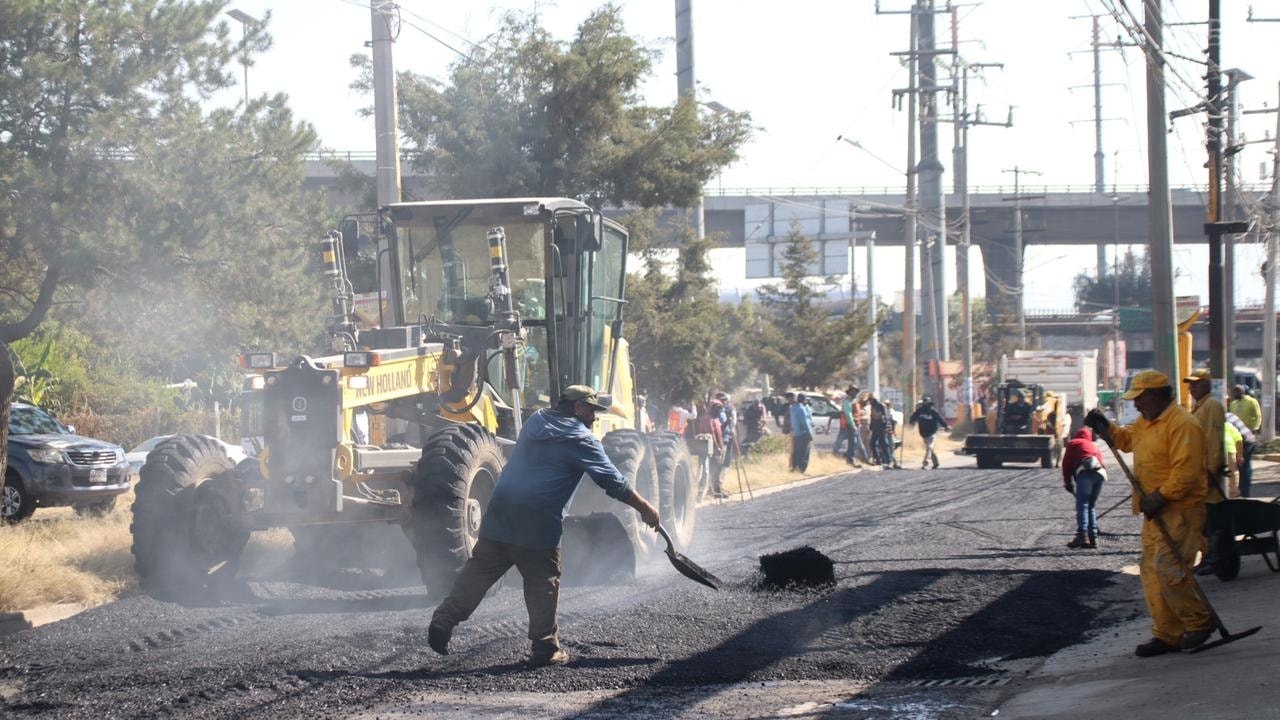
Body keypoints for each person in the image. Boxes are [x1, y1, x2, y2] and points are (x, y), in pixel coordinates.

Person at [428, 385, 661, 667]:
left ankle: (444, 619)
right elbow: (613, 482)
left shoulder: (536, 420)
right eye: (591, 410)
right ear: (576, 408)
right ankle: (545, 648)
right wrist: (645, 508)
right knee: (543, 582)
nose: (594, 418)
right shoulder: (582, 440)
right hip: (538, 521)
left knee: (478, 572)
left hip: (501, 510)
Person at [1084, 370, 1213, 658]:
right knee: (1152, 571)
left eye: (1140, 399)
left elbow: (1187, 473)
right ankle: (1168, 633)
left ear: (1156, 395)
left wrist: (1161, 495)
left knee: (1170, 569)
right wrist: (1106, 427)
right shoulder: (1148, 422)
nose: (1137, 405)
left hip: (1180, 510)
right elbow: (1128, 441)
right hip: (1156, 511)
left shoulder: (1183, 424)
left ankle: (1199, 622)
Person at [1184, 368, 1226, 501]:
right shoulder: (1199, 407)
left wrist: (1212, 472)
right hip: (1199, 471)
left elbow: (1214, 439)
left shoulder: (1212, 405)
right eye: (1191, 385)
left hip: (1207, 473)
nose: (1192, 388)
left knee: (1211, 512)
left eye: (1196, 384)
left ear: (1206, 385)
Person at [1061, 427, 1106, 549]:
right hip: (1101, 474)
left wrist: (1068, 483)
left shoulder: (1073, 443)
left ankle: (1082, 535)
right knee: (1091, 505)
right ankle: (1093, 538)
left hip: (1085, 473)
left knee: (1083, 504)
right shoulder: (1093, 445)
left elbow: (1066, 464)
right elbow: (1102, 462)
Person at [908, 396, 950, 470]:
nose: (926, 405)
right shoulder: (919, 411)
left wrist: (946, 426)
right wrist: (911, 422)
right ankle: (936, 463)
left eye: (927, 403)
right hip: (923, 433)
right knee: (930, 448)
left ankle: (926, 461)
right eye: (925, 403)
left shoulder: (933, 411)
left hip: (932, 432)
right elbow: (913, 417)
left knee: (929, 447)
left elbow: (940, 419)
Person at [1225, 411, 1257, 497]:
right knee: (1241, 469)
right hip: (1249, 439)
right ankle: (1241, 492)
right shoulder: (1228, 415)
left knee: (1241, 469)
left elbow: (1238, 439)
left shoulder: (1224, 420)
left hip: (1245, 442)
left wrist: (1240, 456)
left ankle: (1242, 493)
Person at [840, 386, 870, 467]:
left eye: (856, 391)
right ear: (849, 392)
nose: (855, 393)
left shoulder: (853, 401)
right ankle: (851, 460)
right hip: (851, 425)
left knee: (857, 443)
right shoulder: (847, 402)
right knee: (853, 443)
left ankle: (864, 458)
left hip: (856, 425)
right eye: (853, 391)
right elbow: (848, 414)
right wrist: (853, 425)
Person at [789, 392, 815, 473]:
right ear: (803, 400)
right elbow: (805, 423)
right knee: (804, 453)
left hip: (795, 433)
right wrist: (810, 434)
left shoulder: (793, 408)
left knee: (796, 452)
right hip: (803, 434)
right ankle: (802, 470)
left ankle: (794, 468)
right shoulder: (802, 409)